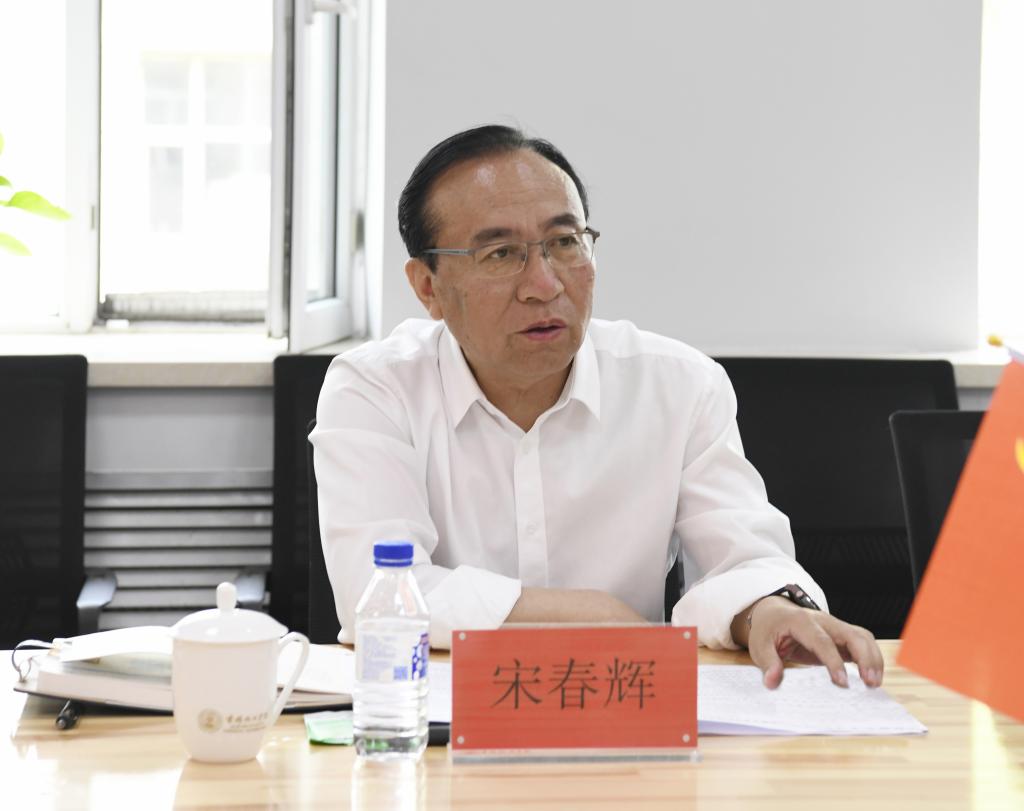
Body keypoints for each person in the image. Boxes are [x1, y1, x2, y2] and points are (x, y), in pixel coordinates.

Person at [311, 124, 884, 689]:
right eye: (501, 253)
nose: (544, 284)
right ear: (427, 287)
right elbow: (379, 594)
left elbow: (744, 556)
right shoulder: (375, 390)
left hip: (624, 707)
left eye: (565, 243)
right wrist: (591, 614)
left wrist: (767, 611)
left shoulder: (679, 385)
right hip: (435, 716)